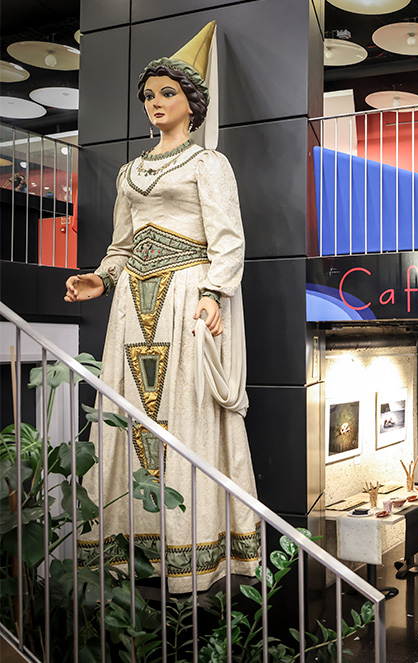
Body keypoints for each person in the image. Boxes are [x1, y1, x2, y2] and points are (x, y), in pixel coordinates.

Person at [66, 22, 260, 593]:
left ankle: (196, 545)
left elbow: (228, 239)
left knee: (190, 413)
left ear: (191, 103)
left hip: (185, 298)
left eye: (166, 93)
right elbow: (121, 245)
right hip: (132, 303)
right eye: (149, 95)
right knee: (128, 415)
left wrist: (213, 292)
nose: (155, 103)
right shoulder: (130, 172)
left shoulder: (209, 165)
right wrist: (100, 280)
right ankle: (131, 539)